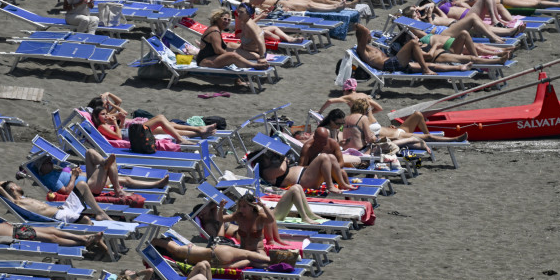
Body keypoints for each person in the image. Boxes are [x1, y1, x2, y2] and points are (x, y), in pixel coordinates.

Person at [0, 198, 110, 259]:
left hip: (16, 230)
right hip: (14, 235)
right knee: (51, 238)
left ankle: (84, 240)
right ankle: (84, 242)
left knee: (52, 231)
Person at [87, 93, 216, 143]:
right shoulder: (102, 125)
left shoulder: (105, 120)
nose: (106, 113)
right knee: (161, 119)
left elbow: (120, 105)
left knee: (166, 126)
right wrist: (115, 122)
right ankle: (191, 134)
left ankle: (199, 131)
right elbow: (119, 137)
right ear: (97, 114)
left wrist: (109, 96)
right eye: (103, 112)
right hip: (133, 131)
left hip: (133, 129)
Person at [34, 151, 168, 197]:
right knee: (109, 165)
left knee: (90, 152)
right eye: (47, 162)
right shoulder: (50, 179)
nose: (51, 162)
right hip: (88, 187)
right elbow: (66, 192)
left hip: (89, 179)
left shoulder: (54, 170)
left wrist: (75, 171)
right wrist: (74, 176)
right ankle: (115, 186)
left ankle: (157, 184)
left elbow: (68, 172)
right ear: (42, 167)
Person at [354, 23, 473, 76]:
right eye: (369, 35)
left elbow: (364, 33)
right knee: (412, 43)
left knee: (431, 65)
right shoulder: (362, 49)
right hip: (389, 64)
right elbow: (363, 32)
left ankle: (459, 67)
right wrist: (357, 25)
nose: (370, 36)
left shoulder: (368, 48)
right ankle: (425, 69)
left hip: (394, 63)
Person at [0, 179, 114, 222]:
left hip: (63, 208)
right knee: (86, 220)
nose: (19, 185)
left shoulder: (23, 199)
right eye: (16, 185)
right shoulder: (18, 203)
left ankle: (100, 213)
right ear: (12, 188)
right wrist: (3, 189)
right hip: (59, 215)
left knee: (82, 184)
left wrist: (4, 186)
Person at [248, 149, 358, 194]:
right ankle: (330, 186)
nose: (270, 158)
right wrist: (285, 160)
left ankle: (342, 184)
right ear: (261, 162)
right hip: (303, 181)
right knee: (323, 157)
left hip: (306, 175)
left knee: (331, 157)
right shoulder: (265, 172)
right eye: (266, 158)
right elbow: (281, 170)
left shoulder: (271, 166)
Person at [195, 9, 268, 71]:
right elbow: (218, 50)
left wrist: (238, 52)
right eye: (224, 19)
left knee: (232, 48)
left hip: (211, 57)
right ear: (217, 18)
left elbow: (221, 47)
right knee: (232, 55)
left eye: (229, 20)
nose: (226, 21)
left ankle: (251, 59)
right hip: (205, 61)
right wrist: (235, 55)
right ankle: (255, 65)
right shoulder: (214, 31)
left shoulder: (216, 28)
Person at [113, 263, 215, 280]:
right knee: (199, 278)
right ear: (127, 278)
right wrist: (136, 274)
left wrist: (134, 275)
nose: (132, 271)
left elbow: (149, 271)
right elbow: (149, 271)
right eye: (129, 272)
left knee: (203, 265)